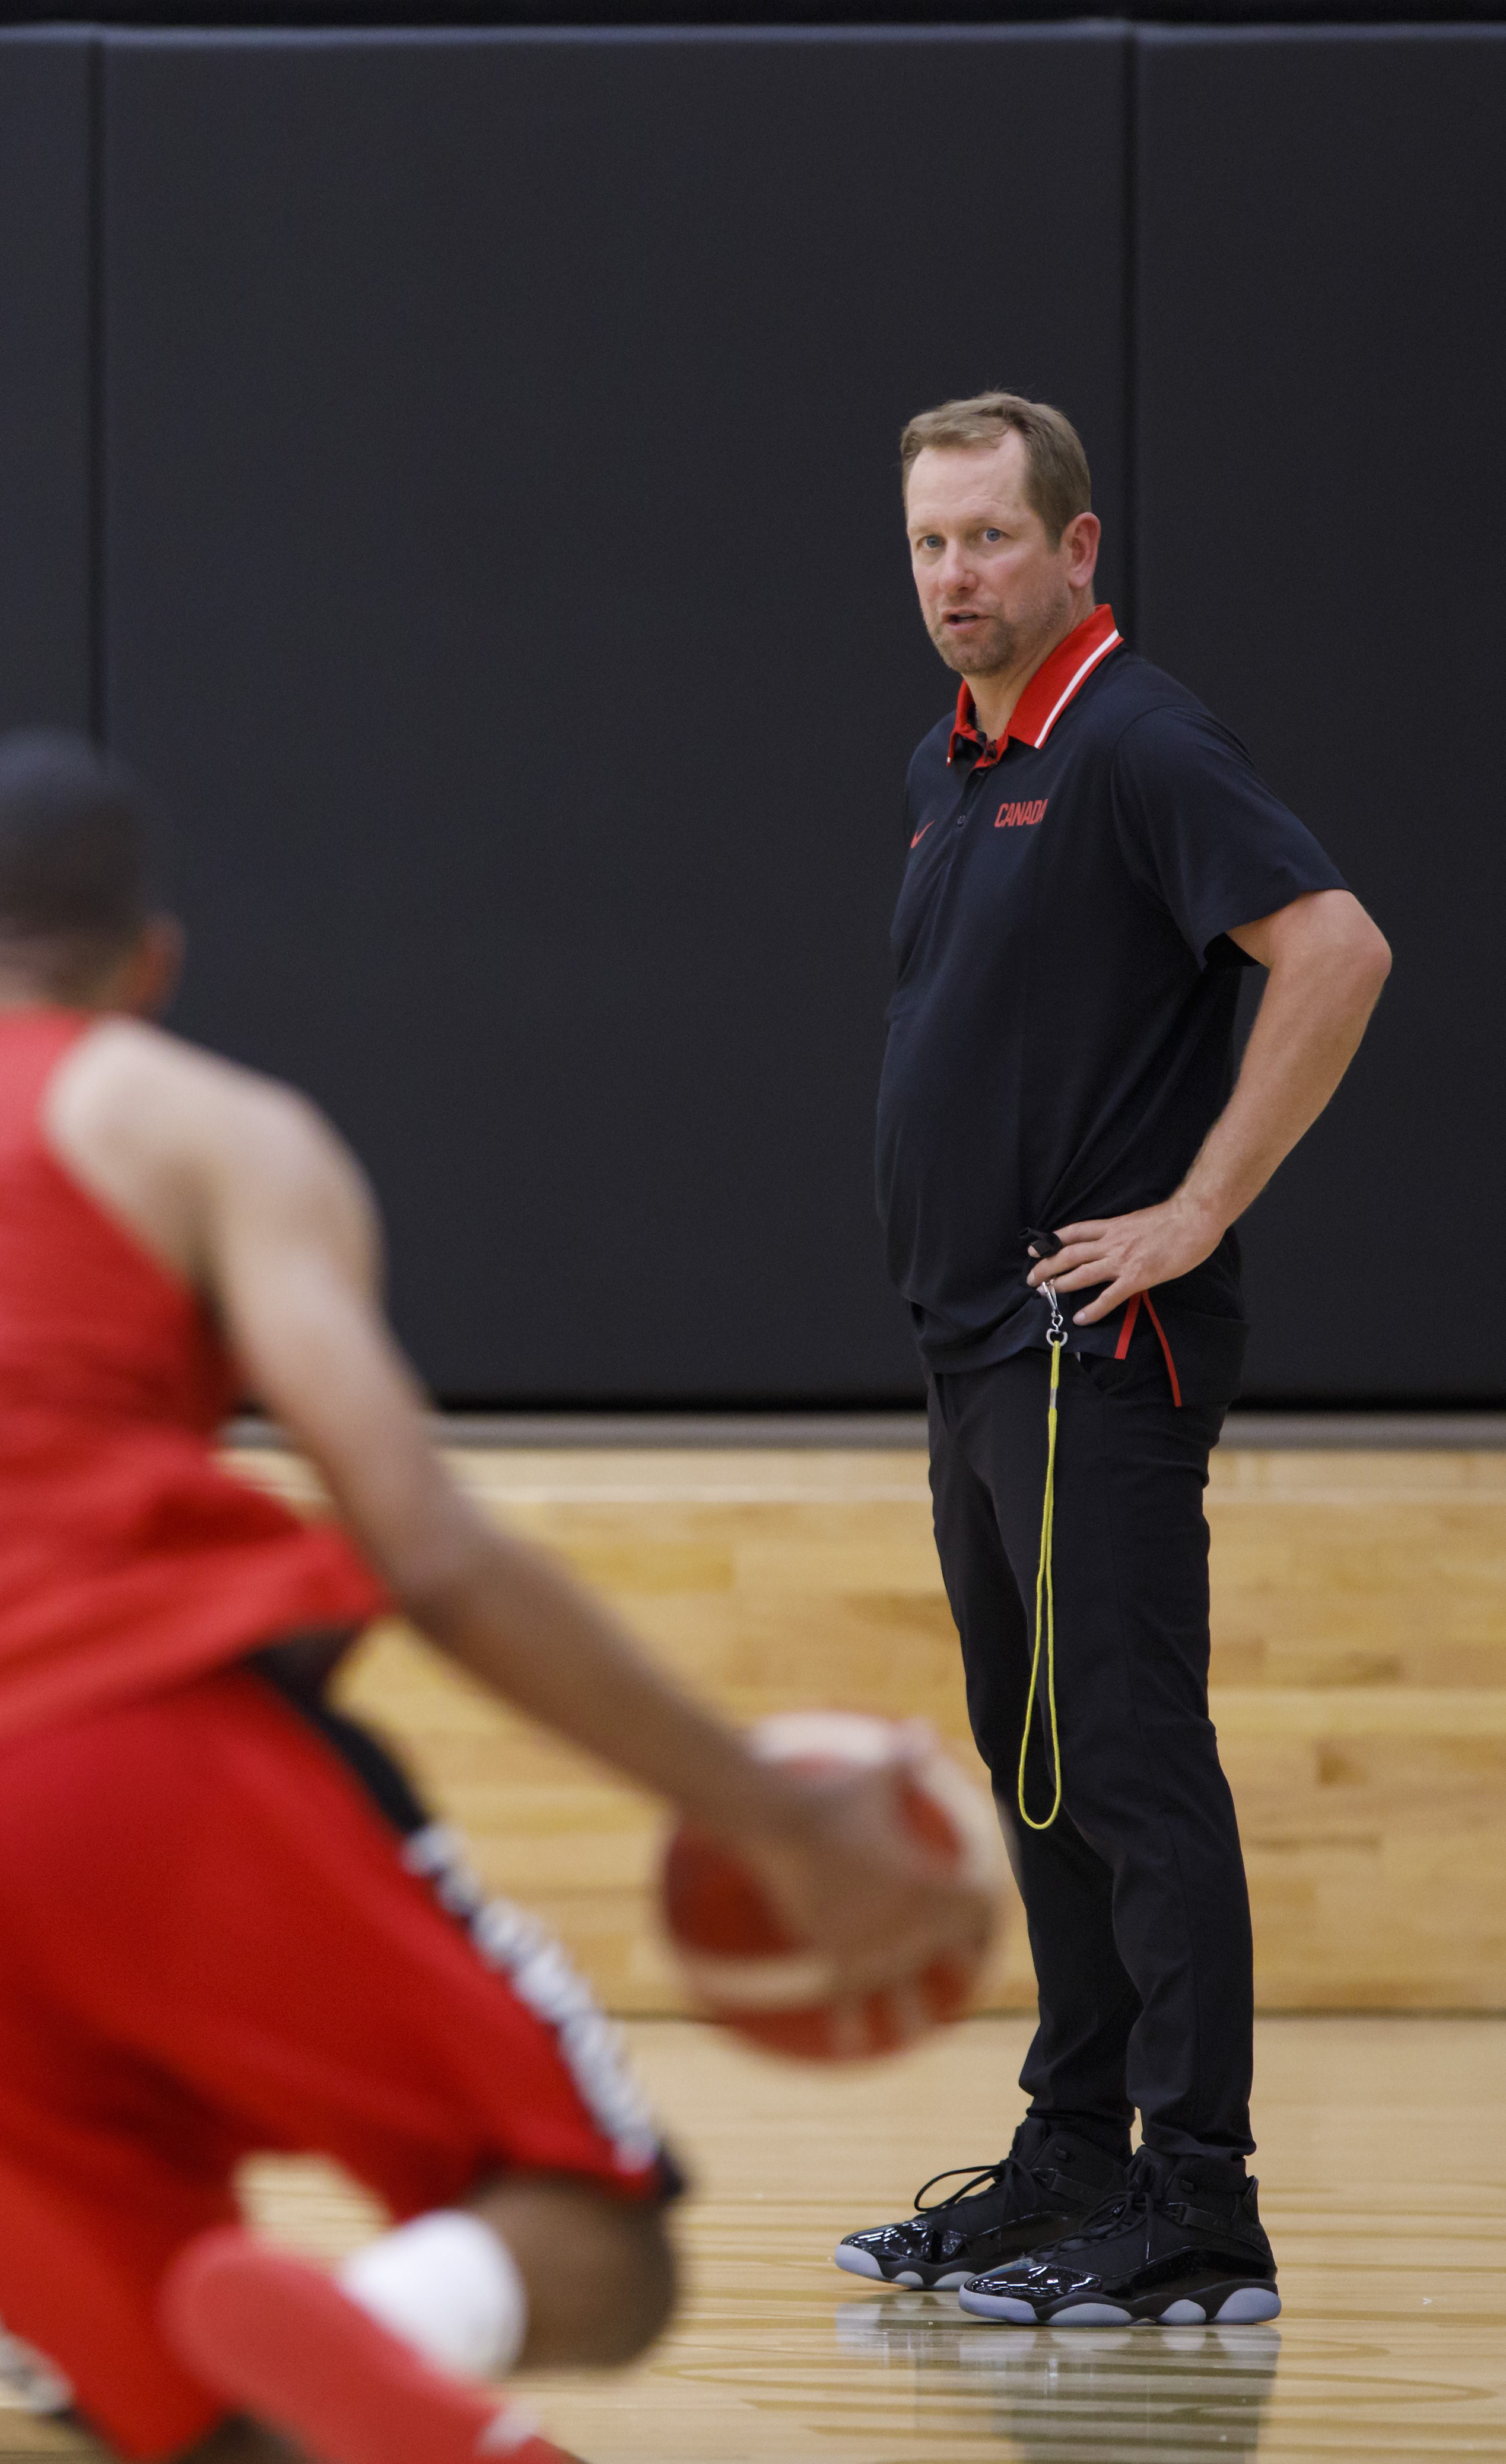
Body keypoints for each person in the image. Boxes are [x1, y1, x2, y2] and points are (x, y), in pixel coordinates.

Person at [0, 733, 990, 2464]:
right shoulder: (203, 1124)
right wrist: (756, 1805)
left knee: (202, 2423)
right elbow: (433, 1548)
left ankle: (329, 2365)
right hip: (134, 1751)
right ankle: (385, 2321)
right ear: (151, 963)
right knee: (590, 2237)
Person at [845, 392, 1388, 2329]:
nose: (954, 578)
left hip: (1093, 1344)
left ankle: (1198, 2200)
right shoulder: (954, 758)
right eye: (927, 544)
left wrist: (1198, 1207)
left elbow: (1335, 949)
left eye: (989, 539)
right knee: (1038, 1759)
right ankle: (1073, 2150)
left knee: (1132, 1759)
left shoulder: (1138, 740)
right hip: (975, 1347)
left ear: (1078, 550)